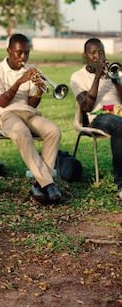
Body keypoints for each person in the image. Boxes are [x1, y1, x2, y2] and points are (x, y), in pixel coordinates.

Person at [0, 33, 61, 204]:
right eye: (19, 52)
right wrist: (19, 82)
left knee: (53, 131)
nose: (23, 57)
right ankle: (48, 184)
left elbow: (32, 104)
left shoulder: (30, 69)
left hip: (29, 113)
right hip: (6, 114)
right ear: (8, 50)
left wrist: (39, 90)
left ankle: (40, 183)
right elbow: (2, 102)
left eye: (26, 53)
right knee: (21, 132)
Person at [70, 38, 122, 199]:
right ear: (85, 55)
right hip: (98, 116)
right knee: (120, 126)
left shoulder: (115, 72)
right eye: (93, 53)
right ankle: (121, 183)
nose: (98, 56)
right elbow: (86, 107)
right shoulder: (77, 77)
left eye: (101, 52)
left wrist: (116, 80)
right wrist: (97, 77)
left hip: (119, 111)